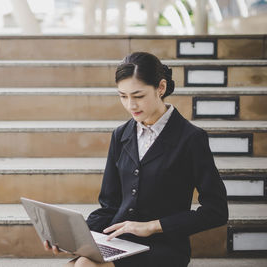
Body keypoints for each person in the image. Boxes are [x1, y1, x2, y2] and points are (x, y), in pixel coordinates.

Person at [44, 52, 228, 267]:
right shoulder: (121, 135)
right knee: (76, 264)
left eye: (138, 96)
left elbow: (216, 212)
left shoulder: (190, 138)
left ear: (160, 88)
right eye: (123, 96)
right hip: (120, 241)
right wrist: (73, 237)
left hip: (165, 246)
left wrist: (152, 226)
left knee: (84, 265)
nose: (131, 105)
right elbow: (109, 206)